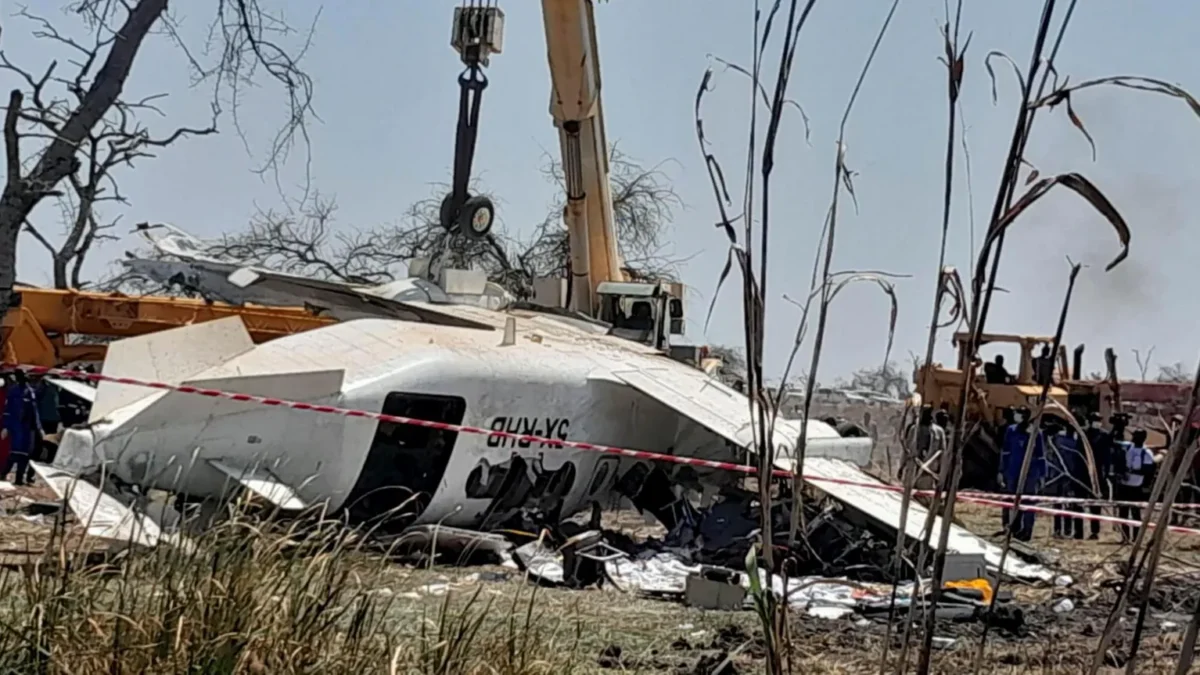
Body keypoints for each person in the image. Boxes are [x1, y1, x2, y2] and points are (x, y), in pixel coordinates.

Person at [998, 406, 1047, 541]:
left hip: (1030, 473)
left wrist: (1042, 475)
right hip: (1012, 471)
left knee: (1028, 502)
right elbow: (1006, 451)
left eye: (1019, 414)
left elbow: (1041, 455)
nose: (1016, 416)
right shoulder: (1011, 430)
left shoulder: (1035, 432)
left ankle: (1027, 531)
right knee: (1011, 500)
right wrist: (1001, 471)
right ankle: (1012, 528)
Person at [1, 370, 41, 486]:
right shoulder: (14, 391)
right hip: (16, 425)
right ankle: (5, 474)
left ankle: (18, 478)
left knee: (24, 454)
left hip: (26, 427)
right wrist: (6, 426)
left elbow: (34, 411)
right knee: (15, 453)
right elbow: (8, 410)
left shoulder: (30, 392)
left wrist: (38, 427)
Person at [1116, 428, 1155, 542]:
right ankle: (1125, 537)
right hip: (1124, 483)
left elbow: (1148, 471)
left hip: (1137, 484)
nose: (1134, 438)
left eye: (1137, 436)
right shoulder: (1128, 447)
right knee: (1123, 512)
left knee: (1135, 512)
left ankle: (1136, 538)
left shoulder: (1146, 453)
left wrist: (1146, 486)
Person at [1049, 422, 1086, 539]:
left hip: (1072, 476)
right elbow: (1053, 454)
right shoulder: (1059, 438)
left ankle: (1068, 529)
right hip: (1060, 474)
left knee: (1070, 504)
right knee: (1059, 503)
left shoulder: (1078, 440)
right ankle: (1058, 529)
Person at [30, 375, 59, 483]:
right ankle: (48, 459)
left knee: (42, 441)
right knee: (49, 441)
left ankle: (39, 459)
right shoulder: (54, 388)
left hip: (46, 418)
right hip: (50, 418)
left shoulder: (44, 389)